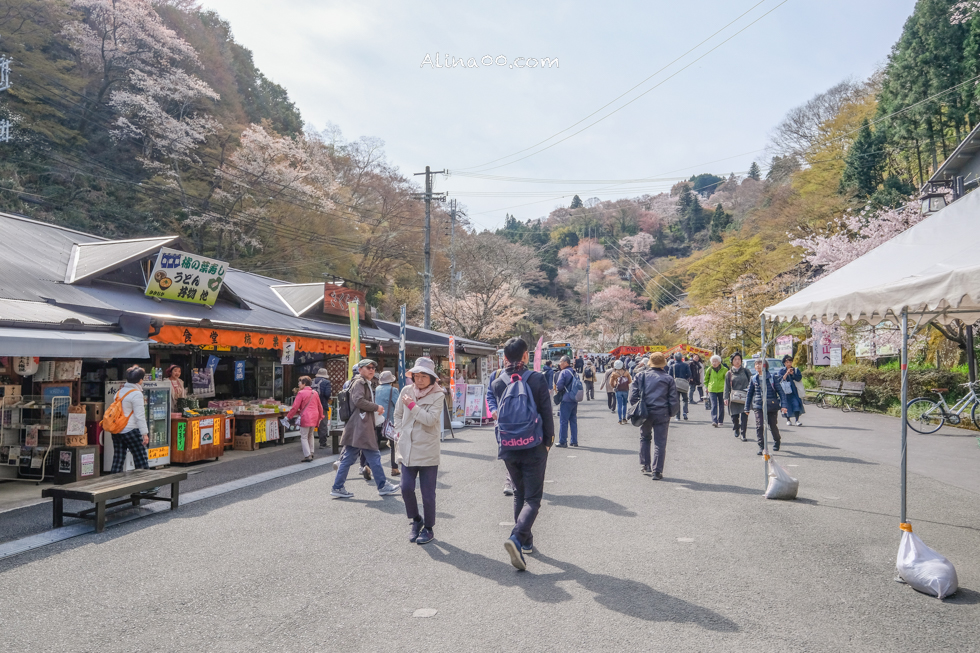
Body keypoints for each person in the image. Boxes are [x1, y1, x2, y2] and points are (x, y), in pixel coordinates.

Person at [491, 337, 555, 570]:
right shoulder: (537, 378)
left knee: (519, 493)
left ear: (505, 358)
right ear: (526, 356)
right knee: (533, 498)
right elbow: (546, 411)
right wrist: (549, 441)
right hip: (533, 444)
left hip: (509, 445)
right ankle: (517, 537)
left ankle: (526, 541)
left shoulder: (498, 382)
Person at [330, 359, 400, 498]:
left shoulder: (360, 382)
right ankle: (382, 486)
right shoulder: (360, 382)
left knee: (349, 458)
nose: (372, 369)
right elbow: (358, 401)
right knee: (373, 455)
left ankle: (337, 487)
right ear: (360, 369)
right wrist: (376, 407)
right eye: (368, 367)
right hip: (361, 425)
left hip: (357, 424)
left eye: (373, 367)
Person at [393, 358, 443, 545]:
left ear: (431, 378)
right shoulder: (406, 391)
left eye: (424, 376)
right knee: (406, 487)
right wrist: (399, 430)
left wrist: (413, 406)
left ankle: (429, 528)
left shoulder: (438, 395)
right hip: (406, 447)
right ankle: (416, 519)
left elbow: (430, 420)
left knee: (428, 493)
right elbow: (397, 413)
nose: (419, 380)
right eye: (416, 376)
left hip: (427, 448)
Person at [629, 352, 678, 480]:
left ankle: (646, 464)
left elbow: (632, 396)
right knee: (660, 442)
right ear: (663, 364)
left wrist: (639, 407)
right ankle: (657, 471)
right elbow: (673, 399)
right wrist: (672, 413)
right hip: (662, 412)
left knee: (645, 438)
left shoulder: (640, 375)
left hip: (645, 412)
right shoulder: (668, 379)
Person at [110, 365, 151, 473]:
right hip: (131, 430)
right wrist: (144, 433)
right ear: (140, 380)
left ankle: (113, 485)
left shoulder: (119, 392)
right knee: (140, 459)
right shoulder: (136, 394)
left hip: (117, 430)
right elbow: (139, 416)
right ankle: (146, 487)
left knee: (118, 459)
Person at [744, 359, 788, 455]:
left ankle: (777, 440)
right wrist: (746, 407)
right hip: (758, 405)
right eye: (756, 364)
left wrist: (783, 405)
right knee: (759, 426)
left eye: (760, 364)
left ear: (765, 366)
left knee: (772, 425)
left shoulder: (772, 377)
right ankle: (761, 446)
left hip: (771, 405)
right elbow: (749, 394)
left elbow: (781, 392)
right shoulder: (754, 378)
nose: (758, 366)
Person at [486, 367, 516, 496]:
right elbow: (490, 395)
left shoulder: (526, 375)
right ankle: (514, 479)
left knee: (516, 450)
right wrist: (493, 409)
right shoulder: (496, 375)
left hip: (519, 421)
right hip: (501, 422)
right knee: (505, 451)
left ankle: (510, 481)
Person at [286, 375, 324, 462]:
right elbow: (319, 406)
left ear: (304, 383)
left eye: (300, 382)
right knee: (310, 435)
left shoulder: (301, 393)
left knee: (303, 436)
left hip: (305, 416)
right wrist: (321, 416)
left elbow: (295, 407)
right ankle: (311, 452)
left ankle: (307, 455)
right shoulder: (315, 393)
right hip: (315, 416)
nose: (299, 384)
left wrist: (289, 416)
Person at [374, 371, 400, 477]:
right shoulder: (393, 390)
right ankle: (394, 468)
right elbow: (398, 404)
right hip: (390, 421)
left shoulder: (377, 389)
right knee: (394, 445)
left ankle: (368, 466)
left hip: (377, 420)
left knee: (375, 445)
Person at [724, 353, 753, 441]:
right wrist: (725, 398)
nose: (737, 361)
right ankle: (736, 427)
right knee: (734, 416)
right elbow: (727, 386)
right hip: (733, 397)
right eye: (735, 359)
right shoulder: (729, 373)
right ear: (732, 361)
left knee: (744, 416)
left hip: (745, 397)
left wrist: (750, 389)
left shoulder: (746, 371)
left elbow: (752, 382)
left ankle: (743, 434)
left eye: (739, 359)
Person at [554, 356, 579, 447]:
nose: (559, 364)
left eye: (561, 361)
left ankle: (563, 441)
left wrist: (558, 389)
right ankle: (574, 441)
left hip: (566, 399)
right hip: (574, 398)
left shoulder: (564, 372)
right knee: (573, 420)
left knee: (563, 421)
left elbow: (559, 386)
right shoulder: (574, 372)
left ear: (566, 363)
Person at [703, 355, 729, 427]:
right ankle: (714, 420)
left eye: (715, 361)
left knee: (721, 405)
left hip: (721, 389)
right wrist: (706, 387)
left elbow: (727, 380)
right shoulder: (709, 369)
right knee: (714, 405)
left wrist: (727, 389)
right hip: (712, 389)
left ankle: (720, 420)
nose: (714, 363)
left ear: (719, 362)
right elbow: (706, 379)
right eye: (713, 361)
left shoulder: (725, 370)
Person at [779, 355, 805, 426]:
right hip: (785, 392)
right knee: (786, 405)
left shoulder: (796, 370)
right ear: (784, 363)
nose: (789, 363)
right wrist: (787, 373)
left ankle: (797, 420)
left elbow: (799, 378)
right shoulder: (782, 370)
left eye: (790, 362)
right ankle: (788, 420)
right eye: (787, 362)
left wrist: (793, 374)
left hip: (794, 391)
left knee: (796, 404)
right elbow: (780, 379)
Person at [312, 368, 333, 450]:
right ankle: (322, 443)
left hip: (311, 406)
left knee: (310, 424)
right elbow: (327, 394)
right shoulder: (326, 382)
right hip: (322, 405)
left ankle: (307, 443)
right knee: (323, 424)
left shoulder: (312, 381)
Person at [669, 353, 691, 422]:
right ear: (682, 358)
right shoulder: (686, 365)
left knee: (677, 400)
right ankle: (685, 412)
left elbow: (669, 376)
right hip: (683, 384)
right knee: (685, 399)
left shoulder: (672, 366)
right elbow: (689, 374)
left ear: (675, 358)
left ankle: (677, 416)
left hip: (675, 384)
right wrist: (685, 379)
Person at [609, 360, 632, 425]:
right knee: (625, 404)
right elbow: (630, 381)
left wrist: (614, 386)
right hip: (625, 389)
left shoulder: (614, 373)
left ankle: (620, 419)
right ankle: (624, 418)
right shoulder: (626, 372)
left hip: (618, 390)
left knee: (619, 404)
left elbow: (610, 382)